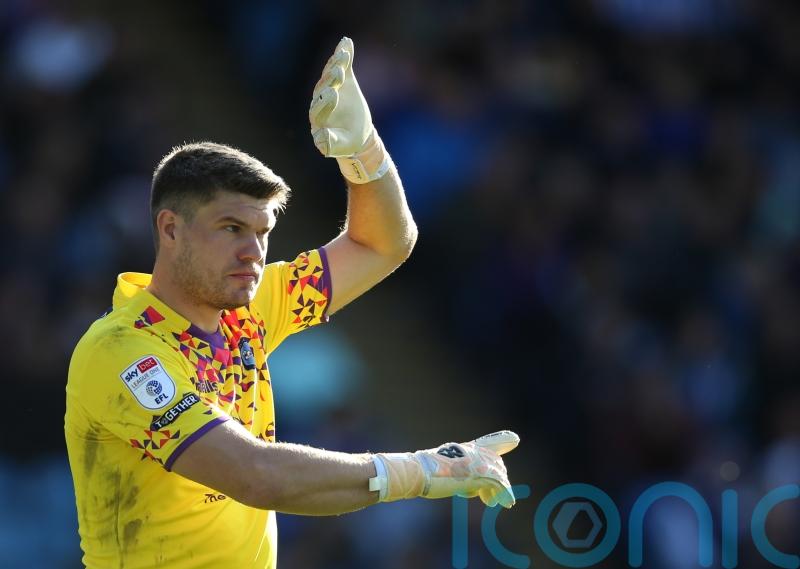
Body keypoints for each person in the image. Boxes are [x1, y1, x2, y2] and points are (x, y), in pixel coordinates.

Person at [64, 37, 519, 569]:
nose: (253, 252)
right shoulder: (122, 354)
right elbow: (257, 476)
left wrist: (362, 147)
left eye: (263, 233)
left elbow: (383, 244)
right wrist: (421, 471)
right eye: (231, 228)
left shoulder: (250, 311)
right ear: (171, 229)